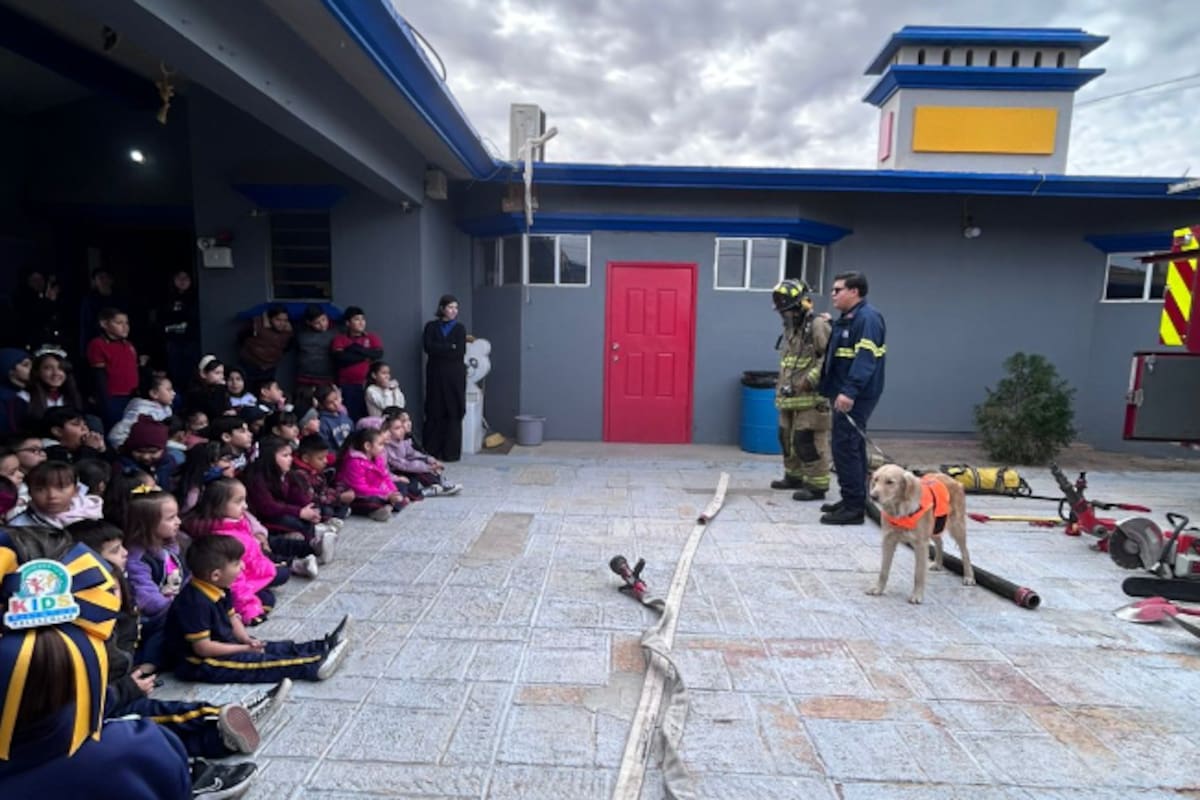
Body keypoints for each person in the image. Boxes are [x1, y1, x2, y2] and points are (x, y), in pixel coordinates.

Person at [164, 534, 351, 683]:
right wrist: (241, 649)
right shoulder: (194, 603)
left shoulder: (220, 587)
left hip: (224, 645)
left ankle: (321, 646)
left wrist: (246, 640)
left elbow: (232, 618)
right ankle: (314, 665)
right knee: (259, 665)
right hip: (200, 663)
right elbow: (203, 648)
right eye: (237, 563)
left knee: (264, 647)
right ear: (215, 575)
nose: (243, 566)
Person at [818, 271, 887, 525]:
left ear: (854, 292)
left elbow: (865, 360)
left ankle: (853, 509)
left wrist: (849, 391)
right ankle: (853, 499)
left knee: (845, 447)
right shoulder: (849, 319)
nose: (833, 295)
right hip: (844, 393)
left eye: (838, 290)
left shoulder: (868, 319)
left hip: (855, 396)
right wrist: (832, 323)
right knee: (852, 447)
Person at [183, 477, 290, 624]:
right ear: (218, 506)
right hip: (236, 579)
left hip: (250, 570)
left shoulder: (235, 523)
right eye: (238, 501)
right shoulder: (221, 538)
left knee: (283, 572)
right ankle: (241, 606)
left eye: (244, 500)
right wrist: (249, 609)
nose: (245, 506)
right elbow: (235, 580)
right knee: (268, 599)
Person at [769, 280, 832, 502]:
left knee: (807, 439)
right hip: (790, 397)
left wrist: (810, 380)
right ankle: (793, 476)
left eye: (789, 310)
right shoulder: (791, 329)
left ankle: (816, 485)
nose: (785, 315)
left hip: (811, 398)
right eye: (783, 311)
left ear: (802, 305)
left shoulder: (817, 325)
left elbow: (828, 358)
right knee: (786, 437)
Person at [123, 489, 187, 669]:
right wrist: (179, 607)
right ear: (147, 524)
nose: (178, 522)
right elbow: (148, 599)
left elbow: (186, 577)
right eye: (170, 518)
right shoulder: (138, 558)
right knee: (167, 625)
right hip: (153, 618)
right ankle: (149, 662)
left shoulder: (173, 547)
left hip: (176, 605)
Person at [422, 294, 467, 462]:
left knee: (454, 410)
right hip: (435, 374)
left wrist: (442, 349)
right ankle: (433, 450)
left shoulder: (459, 328)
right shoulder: (431, 327)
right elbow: (428, 347)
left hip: (454, 376)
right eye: (450, 307)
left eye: (456, 308)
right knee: (435, 409)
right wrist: (449, 347)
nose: (454, 311)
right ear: (442, 308)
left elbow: (459, 351)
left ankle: (451, 452)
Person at [383, 408, 461, 497]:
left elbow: (412, 453)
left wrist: (430, 460)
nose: (408, 424)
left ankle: (438, 483)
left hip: (404, 468)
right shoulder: (387, 445)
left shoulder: (403, 439)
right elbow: (401, 464)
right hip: (396, 472)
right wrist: (427, 467)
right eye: (398, 427)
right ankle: (433, 487)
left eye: (409, 420)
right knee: (414, 475)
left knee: (422, 462)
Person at [86, 307, 142, 430]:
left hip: (132, 397)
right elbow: (99, 376)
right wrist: (104, 401)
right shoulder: (98, 344)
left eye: (126, 323)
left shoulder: (129, 345)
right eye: (119, 323)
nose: (125, 327)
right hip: (112, 398)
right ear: (104, 324)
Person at [337, 427, 405, 521]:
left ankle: (386, 507)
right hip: (358, 495)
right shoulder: (354, 463)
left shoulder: (377, 459)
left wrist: (393, 492)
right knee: (373, 502)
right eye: (380, 444)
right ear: (368, 446)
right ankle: (384, 507)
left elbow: (386, 478)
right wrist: (387, 495)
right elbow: (360, 489)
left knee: (401, 488)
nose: (383, 448)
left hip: (376, 490)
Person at [331, 306, 382, 420]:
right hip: (347, 385)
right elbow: (341, 358)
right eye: (357, 319)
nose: (361, 323)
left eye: (363, 319)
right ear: (348, 323)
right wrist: (365, 356)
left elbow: (378, 354)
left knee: (368, 417)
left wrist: (354, 348)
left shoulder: (371, 337)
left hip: (367, 385)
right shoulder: (340, 339)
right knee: (350, 416)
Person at [156, 269, 202, 392]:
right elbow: (162, 320)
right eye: (179, 278)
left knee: (192, 374)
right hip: (173, 342)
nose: (182, 281)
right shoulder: (167, 298)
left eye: (185, 277)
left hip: (191, 342)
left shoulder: (197, 296)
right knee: (175, 373)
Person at [238, 305, 293, 387]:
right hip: (251, 364)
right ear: (270, 319)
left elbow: (288, 347)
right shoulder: (256, 325)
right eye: (278, 320)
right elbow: (241, 337)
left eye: (285, 320)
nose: (282, 323)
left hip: (269, 367)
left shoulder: (288, 331)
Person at [0, 348, 31, 434]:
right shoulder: (5, 399)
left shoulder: (27, 394)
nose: (32, 369)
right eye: (26, 365)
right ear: (10, 370)